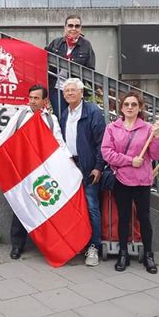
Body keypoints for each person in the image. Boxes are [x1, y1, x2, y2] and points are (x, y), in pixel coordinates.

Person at [0, 84, 70, 259]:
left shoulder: (51, 120)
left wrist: (69, 163)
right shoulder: (21, 115)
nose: (33, 101)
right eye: (31, 98)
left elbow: (60, 144)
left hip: (42, 171)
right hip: (22, 170)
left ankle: (45, 246)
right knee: (21, 207)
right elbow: (5, 135)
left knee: (44, 207)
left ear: (45, 101)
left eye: (37, 98)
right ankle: (17, 245)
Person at [101, 91, 159, 274]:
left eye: (134, 104)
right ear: (121, 107)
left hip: (142, 181)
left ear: (140, 107)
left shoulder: (148, 129)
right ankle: (123, 253)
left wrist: (157, 137)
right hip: (122, 180)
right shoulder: (112, 128)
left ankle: (149, 255)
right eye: (126, 104)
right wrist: (129, 160)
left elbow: (156, 155)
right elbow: (107, 153)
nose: (130, 107)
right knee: (124, 218)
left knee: (144, 218)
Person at [60, 78, 106, 266]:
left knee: (92, 206)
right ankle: (78, 243)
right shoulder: (65, 113)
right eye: (66, 91)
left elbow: (101, 142)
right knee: (74, 207)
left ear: (81, 92)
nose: (69, 93)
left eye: (73, 90)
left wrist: (98, 166)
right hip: (70, 167)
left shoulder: (93, 111)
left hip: (88, 167)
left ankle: (94, 247)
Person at [45, 14, 96, 118]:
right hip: (56, 87)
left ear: (80, 28)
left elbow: (90, 70)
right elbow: (43, 58)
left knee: (75, 116)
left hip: (75, 89)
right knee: (62, 116)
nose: (73, 28)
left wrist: (96, 88)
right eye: (70, 25)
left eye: (77, 26)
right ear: (65, 27)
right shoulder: (56, 43)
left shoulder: (86, 45)